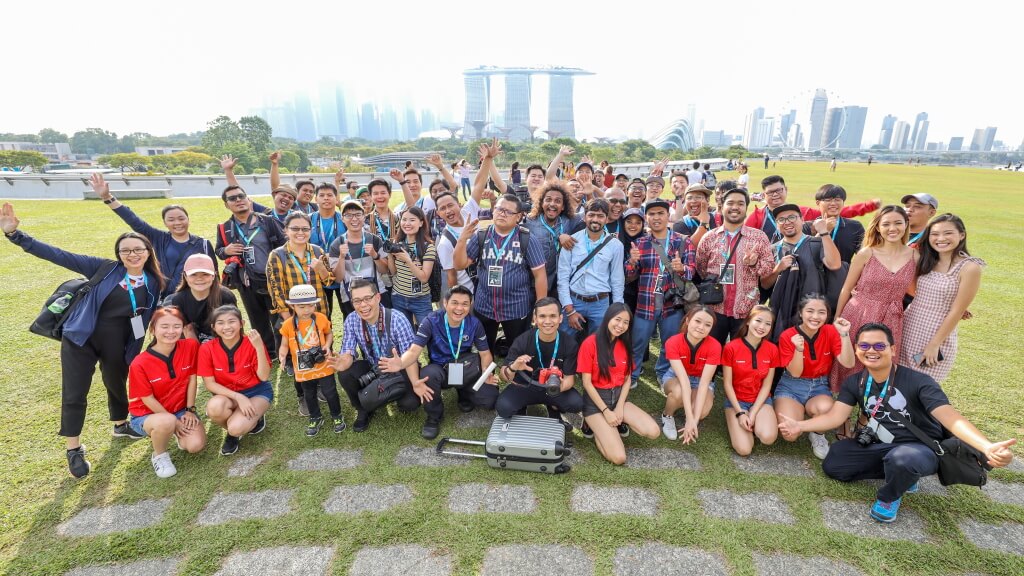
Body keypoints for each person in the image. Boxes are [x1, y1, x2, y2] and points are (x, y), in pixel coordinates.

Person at [779, 323, 1016, 523]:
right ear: (857, 349)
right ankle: (903, 475)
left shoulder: (919, 381)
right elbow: (836, 417)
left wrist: (986, 446)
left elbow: (951, 418)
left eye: (879, 346)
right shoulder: (856, 382)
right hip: (882, 443)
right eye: (864, 345)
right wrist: (800, 426)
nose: (871, 350)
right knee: (835, 462)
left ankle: (890, 495)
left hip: (920, 447)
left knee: (903, 460)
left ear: (893, 349)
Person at [3, 203, 164, 477]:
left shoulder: (153, 282)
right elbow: (59, 255)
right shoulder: (104, 268)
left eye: (138, 249)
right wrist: (16, 235)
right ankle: (74, 448)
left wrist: (134, 351)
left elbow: (145, 320)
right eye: (126, 250)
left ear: (148, 252)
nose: (132, 254)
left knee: (116, 382)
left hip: (118, 340)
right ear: (118, 254)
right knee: (75, 392)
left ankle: (120, 424)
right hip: (81, 337)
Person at [381, 286, 498, 439]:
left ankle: (463, 394)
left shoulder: (474, 323)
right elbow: (414, 351)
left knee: (490, 399)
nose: (459, 308)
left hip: (463, 367)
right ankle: (434, 416)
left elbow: (485, 354)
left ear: (470, 305)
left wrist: (486, 374)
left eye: (465, 304)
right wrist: (401, 363)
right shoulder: (431, 320)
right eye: (454, 303)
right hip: (440, 369)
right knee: (428, 374)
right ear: (445, 303)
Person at [833, 206, 917, 394]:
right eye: (886, 224)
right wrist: (837, 316)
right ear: (878, 227)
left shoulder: (915, 256)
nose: (892, 228)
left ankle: (869, 410)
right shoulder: (867, 253)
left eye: (898, 223)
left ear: (906, 225)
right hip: (859, 312)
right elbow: (847, 287)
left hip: (891, 318)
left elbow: (925, 287)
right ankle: (845, 403)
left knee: (881, 361)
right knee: (852, 359)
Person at [329, 279, 429, 433]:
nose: (363, 305)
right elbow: (348, 350)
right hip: (372, 367)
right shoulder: (352, 319)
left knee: (410, 404)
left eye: (367, 299)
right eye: (357, 301)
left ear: (377, 297)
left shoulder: (397, 319)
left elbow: (411, 356)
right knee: (345, 374)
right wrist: (344, 362)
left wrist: (415, 382)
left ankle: (392, 395)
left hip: (399, 366)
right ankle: (363, 409)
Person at [92, 173, 215, 298]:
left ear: (188, 219)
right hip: (162, 297)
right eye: (171, 219)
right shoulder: (158, 238)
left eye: (181, 218)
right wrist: (108, 197)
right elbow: (133, 220)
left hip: (194, 296)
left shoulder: (203, 244)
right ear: (165, 223)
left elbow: (213, 273)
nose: (177, 223)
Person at [453, 194, 548, 351]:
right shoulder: (481, 236)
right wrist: (462, 239)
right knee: (484, 348)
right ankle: (485, 373)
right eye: (499, 209)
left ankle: (517, 373)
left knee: (519, 349)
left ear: (518, 217)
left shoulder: (528, 239)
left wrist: (540, 308)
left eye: (508, 212)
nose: (502, 213)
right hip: (485, 306)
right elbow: (459, 264)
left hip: (516, 307)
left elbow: (540, 275)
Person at [900, 214, 984, 382]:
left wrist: (934, 344)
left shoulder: (970, 267)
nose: (941, 238)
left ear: (961, 235)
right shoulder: (925, 259)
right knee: (898, 384)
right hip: (909, 326)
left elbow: (956, 311)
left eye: (948, 233)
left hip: (937, 334)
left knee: (922, 387)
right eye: (935, 234)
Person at [625, 199, 697, 387]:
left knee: (670, 343)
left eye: (660, 213)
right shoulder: (640, 242)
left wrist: (681, 268)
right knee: (638, 342)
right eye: (652, 214)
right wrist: (632, 262)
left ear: (668, 216)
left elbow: (692, 271)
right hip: (645, 302)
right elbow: (630, 276)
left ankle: (663, 371)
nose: (656, 217)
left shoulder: (682, 241)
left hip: (672, 304)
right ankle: (632, 375)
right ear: (647, 218)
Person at [127, 307, 206, 478]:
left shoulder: (190, 346)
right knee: (166, 422)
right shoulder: (139, 363)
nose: (171, 331)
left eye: (176, 326)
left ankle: (176, 431)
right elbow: (146, 398)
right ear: (153, 329)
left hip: (180, 410)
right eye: (164, 326)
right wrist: (173, 422)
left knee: (195, 445)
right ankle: (159, 455)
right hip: (147, 415)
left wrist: (190, 410)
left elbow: (192, 379)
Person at [578, 304, 661, 464]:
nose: (621, 325)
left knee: (653, 431)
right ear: (608, 318)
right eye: (617, 320)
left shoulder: (625, 344)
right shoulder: (590, 343)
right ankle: (593, 425)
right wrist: (606, 411)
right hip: (596, 403)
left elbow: (627, 379)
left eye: (626, 322)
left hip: (617, 398)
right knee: (619, 458)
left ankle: (615, 423)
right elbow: (587, 384)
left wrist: (619, 407)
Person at [775, 294, 855, 459]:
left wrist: (845, 335)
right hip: (791, 386)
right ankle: (804, 419)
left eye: (821, 312)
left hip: (819, 386)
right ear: (801, 313)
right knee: (790, 435)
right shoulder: (788, 335)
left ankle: (818, 433)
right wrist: (798, 349)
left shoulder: (831, 331)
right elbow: (795, 373)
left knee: (827, 409)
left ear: (827, 315)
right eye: (810, 311)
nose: (815, 317)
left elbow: (848, 363)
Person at [695, 188, 775, 346]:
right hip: (715, 307)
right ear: (721, 206)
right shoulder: (709, 237)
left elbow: (768, 268)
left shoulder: (758, 237)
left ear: (746, 208)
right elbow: (701, 267)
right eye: (730, 203)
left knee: (741, 352)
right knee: (711, 350)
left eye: (740, 203)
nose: (735, 207)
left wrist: (754, 264)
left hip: (745, 307)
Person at [214, 184, 286, 355]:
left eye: (241, 196)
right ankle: (268, 351)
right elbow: (219, 250)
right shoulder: (224, 228)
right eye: (232, 198)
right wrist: (226, 250)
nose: (238, 200)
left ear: (248, 199)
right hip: (245, 281)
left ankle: (285, 351)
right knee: (256, 318)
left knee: (279, 317)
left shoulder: (267, 220)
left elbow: (284, 245)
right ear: (226, 204)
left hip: (272, 279)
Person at [496, 298, 584, 427]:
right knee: (503, 408)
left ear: (560, 318)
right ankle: (522, 406)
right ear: (535, 319)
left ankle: (553, 406)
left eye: (553, 316)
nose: (547, 321)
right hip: (525, 385)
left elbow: (569, 380)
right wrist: (514, 367)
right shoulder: (522, 340)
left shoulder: (569, 343)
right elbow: (504, 377)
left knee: (576, 403)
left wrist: (557, 388)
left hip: (553, 387)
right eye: (542, 316)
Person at [198, 305, 273, 456]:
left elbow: (263, 377)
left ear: (242, 323)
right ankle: (241, 421)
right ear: (213, 327)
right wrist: (238, 397)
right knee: (214, 407)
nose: (227, 327)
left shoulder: (252, 342)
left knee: (235, 428)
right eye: (220, 323)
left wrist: (258, 347)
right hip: (229, 395)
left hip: (256, 392)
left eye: (232, 321)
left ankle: (238, 430)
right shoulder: (207, 349)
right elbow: (210, 384)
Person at [760, 203, 843, 339]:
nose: (787, 222)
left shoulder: (816, 243)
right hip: (781, 312)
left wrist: (824, 232)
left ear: (802, 220)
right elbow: (765, 285)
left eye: (792, 217)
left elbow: (834, 265)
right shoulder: (772, 250)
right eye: (781, 220)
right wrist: (777, 269)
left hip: (811, 311)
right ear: (777, 224)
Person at [278, 285, 345, 436]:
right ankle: (315, 416)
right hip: (303, 368)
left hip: (323, 363)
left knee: (331, 391)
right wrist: (282, 356)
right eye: (301, 307)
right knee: (309, 394)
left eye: (311, 305)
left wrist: (327, 346)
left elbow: (329, 333)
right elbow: (284, 344)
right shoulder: (288, 324)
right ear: (292, 306)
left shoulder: (321, 318)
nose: (307, 310)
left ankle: (337, 415)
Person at [557, 199, 624, 338]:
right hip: (574, 300)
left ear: (606, 218)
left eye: (600, 216)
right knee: (565, 341)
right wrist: (569, 310)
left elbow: (617, 279)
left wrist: (618, 309)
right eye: (591, 215)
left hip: (600, 303)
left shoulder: (616, 246)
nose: (595, 219)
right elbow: (562, 278)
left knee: (599, 342)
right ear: (584, 217)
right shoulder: (571, 241)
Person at [749, 176, 879, 243]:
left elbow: (835, 212)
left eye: (779, 190)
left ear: (786, 190)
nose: (775, 194)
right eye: (770, 192)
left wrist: (869, 206)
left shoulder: (803, 212)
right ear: (763, 194)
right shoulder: (757, 217)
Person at [722, 305, 779, 456]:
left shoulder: (772, 349)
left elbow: (767, 386)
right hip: (737, 401)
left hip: (760, 401)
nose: (762, 327)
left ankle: (756, 421)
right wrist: (740, 413)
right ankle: (739, 420)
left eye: (768, 324)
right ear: (748, 321)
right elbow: (727, 384)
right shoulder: (731, 348)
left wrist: (753, 413)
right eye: (758, 321)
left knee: (768, 437)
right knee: (744, 449)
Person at [661, 306, 722, 442]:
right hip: (677, 378)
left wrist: (693, 420)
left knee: (702, 412)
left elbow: (704, 383)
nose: (701, 327)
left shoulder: (715, 346)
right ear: (688, 320)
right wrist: (689, 417)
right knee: (679, 391)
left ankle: (688, 412)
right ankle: (667, 415)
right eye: (697, 321)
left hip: (700, 380)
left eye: (707, 325)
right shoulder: (673, 342)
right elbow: (683, 380)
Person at [330, 200, 390, 316]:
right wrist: (342, 257)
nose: (354, 219)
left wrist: (375, 255)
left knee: (381, 325)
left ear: (364, 217)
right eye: (348, 215)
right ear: (342, 218)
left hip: (376, 293)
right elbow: (338, 278)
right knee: (357, 328)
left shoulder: (374, 240)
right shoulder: (337, 244)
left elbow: (384, 270)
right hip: (351, 296)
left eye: (358, 214)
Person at [525, 182, 580, 299]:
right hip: (531, 284)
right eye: (548, 200)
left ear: (563, 206)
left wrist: (590, 194)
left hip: (558, 284)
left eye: (558, 201)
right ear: (542, 203)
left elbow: (591, 215)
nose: (552, 204)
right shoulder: (529, 222)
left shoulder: (569, 221)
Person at [386, 206, 436, 328]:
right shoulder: (397, 244)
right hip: (398, 297)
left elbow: (424, 278)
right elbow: (393, 272)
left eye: (412, 220)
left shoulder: (428, 247)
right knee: (405, 336)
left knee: (428, 333)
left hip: (420, 299)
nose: (407, 223)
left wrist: (408, 260)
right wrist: (390, 255)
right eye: (404, 219)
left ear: (421, 223)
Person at [170, 254, 236, 343]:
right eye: (193, 274)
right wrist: (199, 353)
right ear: (185, 276)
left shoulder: (226, 296)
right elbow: (188, 329)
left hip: (222, 340)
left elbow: (232, 328)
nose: (199, 279)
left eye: (205, 274)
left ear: (213, 275)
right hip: (194, 342)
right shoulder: (178, 299)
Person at [804, 184, 865, 264]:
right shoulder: (807, 227)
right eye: (828, 200)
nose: (833, 203)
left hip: (842, 275)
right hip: (813, 275)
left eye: (837, 199)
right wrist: (824, 232)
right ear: (818, 203)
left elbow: (865, 257)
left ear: (843, 203)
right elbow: (804, 255)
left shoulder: (855, 227)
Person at [309, 183, 345, 318]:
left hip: (342, 273)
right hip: (317, 275)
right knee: (322, 316)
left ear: (336, 199)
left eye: (330, 195)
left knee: (349, 312)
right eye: (322, 195)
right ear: (315, 199)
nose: (326, 198)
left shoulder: (344, 219)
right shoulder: (308, 219)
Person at [619, 208, 646, 314]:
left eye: (638, 223)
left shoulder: (647, 242)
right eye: (629, 222)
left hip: (639, 295)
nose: (633, 226)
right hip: (618, 293)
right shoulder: (617, 241)